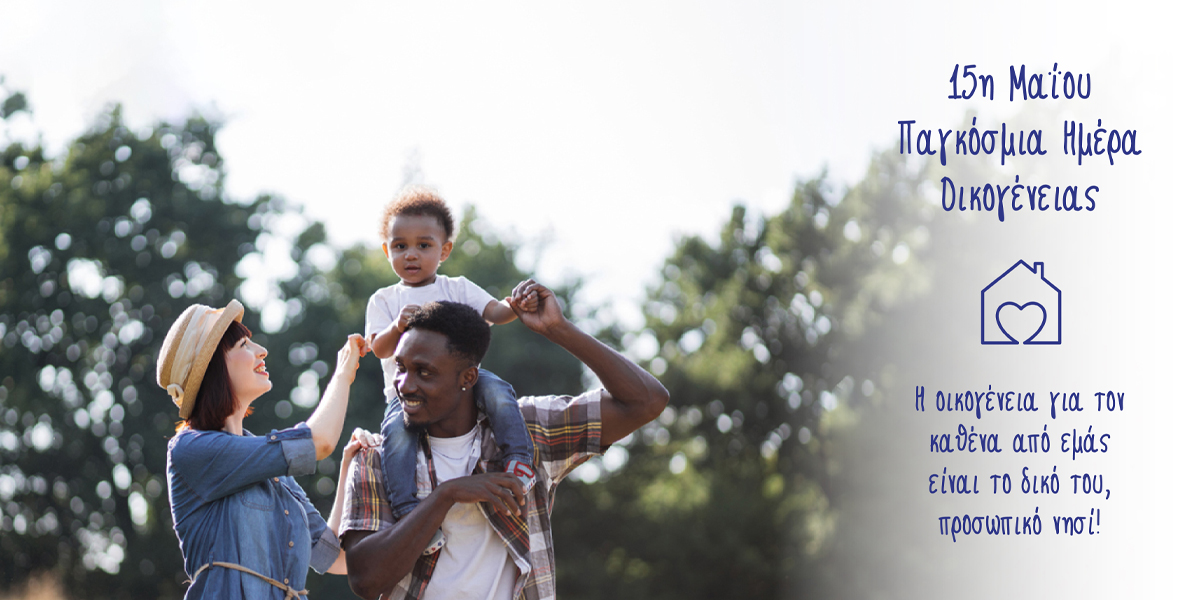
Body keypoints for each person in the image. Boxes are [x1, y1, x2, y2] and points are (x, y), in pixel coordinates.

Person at [339, 281, 670, 600]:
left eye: (424, 372)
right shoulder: (375, 458)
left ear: (469, 377)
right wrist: (446, 496)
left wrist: (559, 329)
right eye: (401, 368)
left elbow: (647, 401)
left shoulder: (530, 429)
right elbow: (365, 580)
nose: (405, 386)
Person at [159, 299, 375, 599]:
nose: (261, 350)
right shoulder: (192, 449)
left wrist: (348, 466)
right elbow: (319, 441)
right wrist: (343, 374)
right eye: (244, 345)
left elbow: (333, 556)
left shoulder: (275, 472)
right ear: (213, 368)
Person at [365, 185, 539, 554]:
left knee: (499, 392)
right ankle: (408, 511)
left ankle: (519, 460)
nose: (411, 254)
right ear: (387, 250)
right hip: (406, 396)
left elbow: (494, 313)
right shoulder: (385, 300)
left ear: (444, 250)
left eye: (424, 245)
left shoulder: (456, 288)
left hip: (463, 388)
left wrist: (517, 304)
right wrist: (397, 327)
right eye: (400, 246)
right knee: (395, 439)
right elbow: (377, 348)